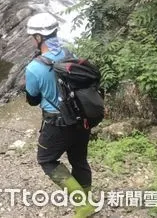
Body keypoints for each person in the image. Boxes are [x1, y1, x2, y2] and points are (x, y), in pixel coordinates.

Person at [25, 12, 95, 217]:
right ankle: (86, 200)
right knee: (79, 159)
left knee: (46, 159)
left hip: (57, 123)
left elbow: (33, 100)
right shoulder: (68, 53)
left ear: (39, 38)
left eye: (32, 36)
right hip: (82, 118)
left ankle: (82, 204)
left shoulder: (34, 68)